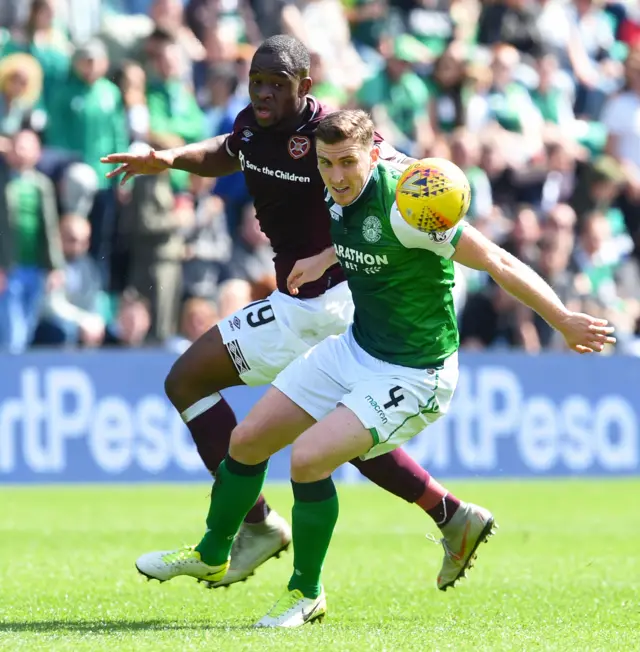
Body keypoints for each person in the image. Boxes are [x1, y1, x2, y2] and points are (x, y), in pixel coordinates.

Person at [136, 109, 615, 628]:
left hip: (415, 372)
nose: (337, 175)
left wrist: (563, 319)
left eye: (347, 163)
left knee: (309, 457)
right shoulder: (331, 187)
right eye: (327, 163)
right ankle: (212, 552)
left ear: (374, 153)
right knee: (248, 440)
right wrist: (324, 260)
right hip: (356, 349)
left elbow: (498, 262)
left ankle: (305, 592)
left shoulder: (411, 205)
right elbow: (346, 226)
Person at [102, 35, 480, 590]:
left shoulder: (331, 135)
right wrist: (170, 159)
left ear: (305, 87)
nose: (262, 92)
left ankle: (256, 532)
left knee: (209, 388)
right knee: (327, 433)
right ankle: (448, 514)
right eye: (256, 81)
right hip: (298, 302)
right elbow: (230, 150)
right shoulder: (254, 125)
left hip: (329, 304)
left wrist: (435, 190)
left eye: (277, 84)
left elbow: (394, 168)